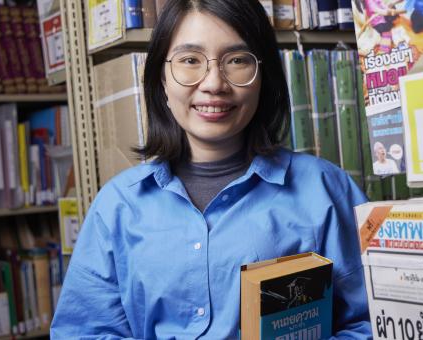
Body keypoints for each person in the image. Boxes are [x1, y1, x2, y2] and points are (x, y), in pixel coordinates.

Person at [51, 0, 372, 339]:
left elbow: (370, 323)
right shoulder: (117, 205)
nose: (214, 83)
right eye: (190, 60)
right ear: (161, 78)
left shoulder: (325, 189)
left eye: (236, 60)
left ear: (264, 76)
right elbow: (84, 331)